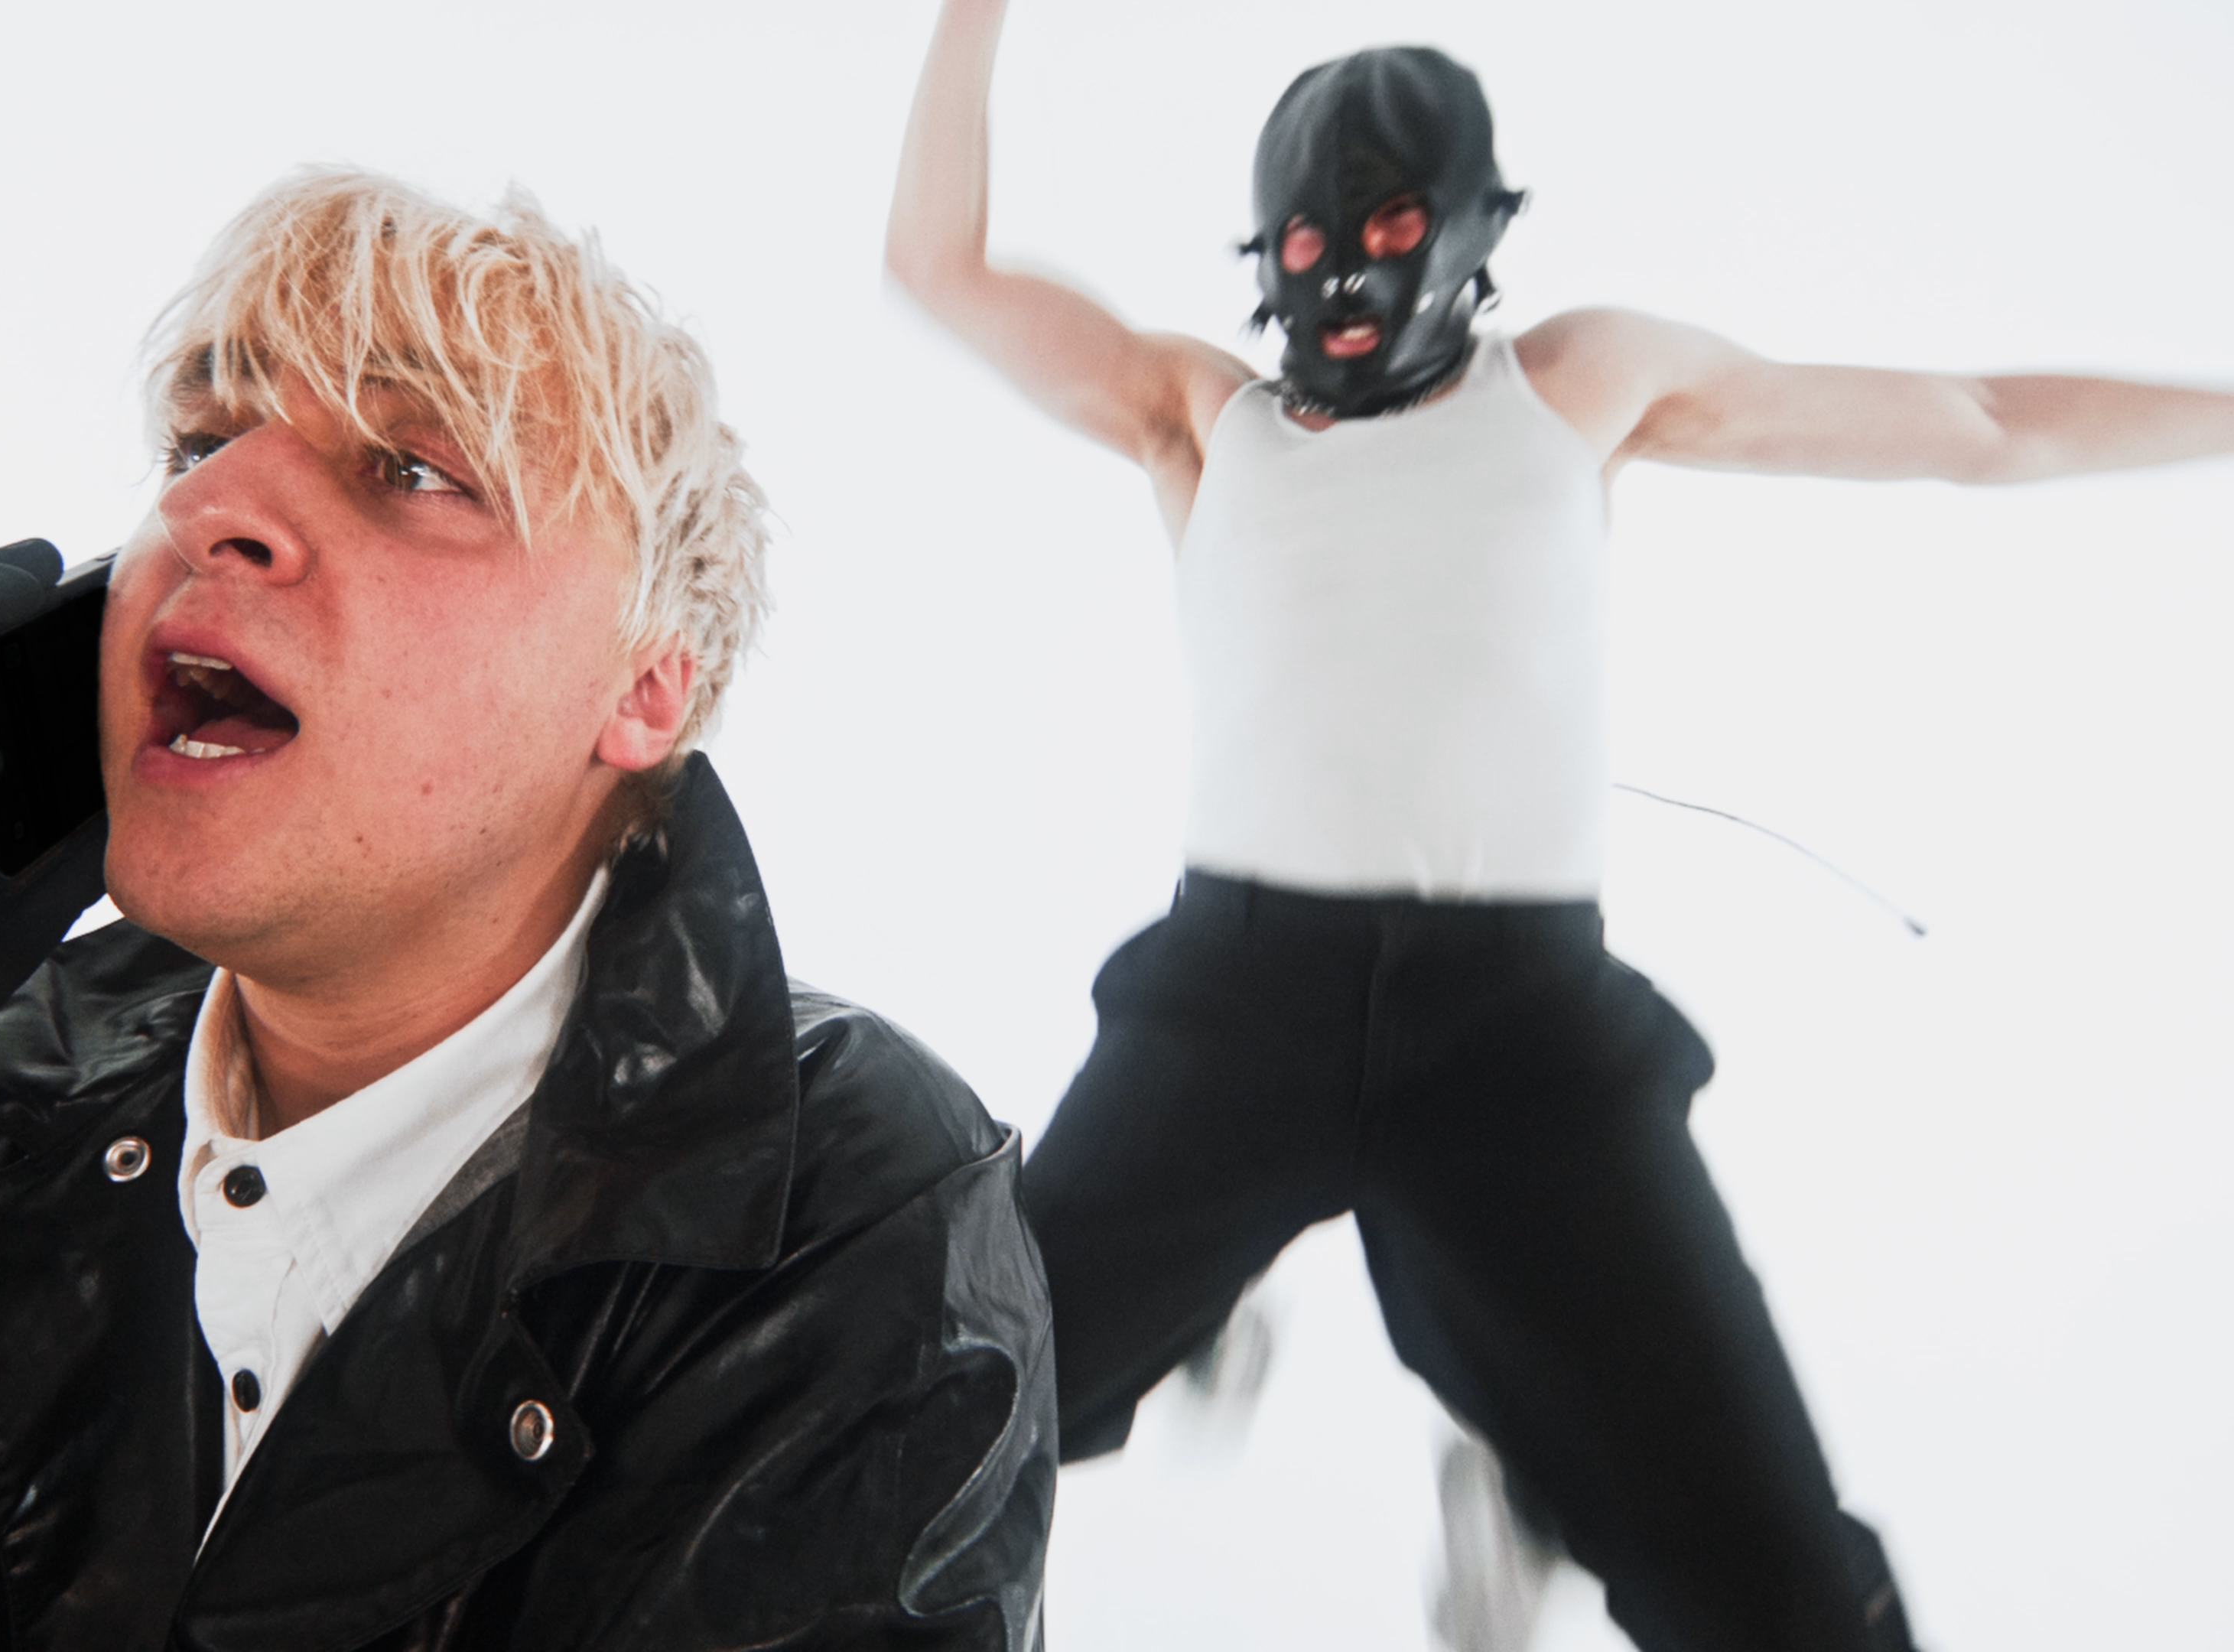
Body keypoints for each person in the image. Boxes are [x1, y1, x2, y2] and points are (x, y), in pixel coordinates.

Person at [0, 166, 1056, 1650]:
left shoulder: (844, 1204)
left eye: (413, 467)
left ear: (647, 689)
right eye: (201, 438)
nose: (214, 509)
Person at [884, 3, 2234, 1649]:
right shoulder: (1196, 412)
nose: (1345, 274)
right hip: (1241, 1007)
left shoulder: (1580, 383)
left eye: (1389, 230)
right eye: (1308, 243)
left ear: (1464, 232)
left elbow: (1982, 423)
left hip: (1513, 1025)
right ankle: (1214, 1318)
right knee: (898, 1445)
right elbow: (939, 266)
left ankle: (1529, 1447)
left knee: (1786, 1595)